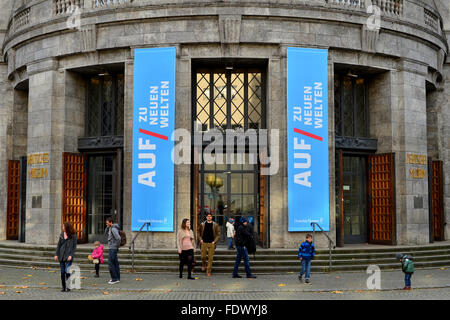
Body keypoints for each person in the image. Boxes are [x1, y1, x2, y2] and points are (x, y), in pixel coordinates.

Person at [54, 222, 77, 292]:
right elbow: (59, 245)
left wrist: (71, 255)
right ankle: (64, 287)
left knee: (67, 271)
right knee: (62, 272)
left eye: (63, 226)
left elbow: (74, 247)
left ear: (67, 227)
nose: (62, 227)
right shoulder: (62, 235)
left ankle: (69, 286)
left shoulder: (73, 235)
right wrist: (56, 254)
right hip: (61, 256)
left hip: (69, 256)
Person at [198, 212, 220, 276]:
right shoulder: (202, 224)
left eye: (210, 216)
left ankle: (208, 271)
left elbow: (218, 234)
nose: (209, 217)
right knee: (203, 256)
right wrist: (200, 239)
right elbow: (198, 232)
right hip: (204, 242)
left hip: (211, 243)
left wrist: (214, 241)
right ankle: (203, 264)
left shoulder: (215, 225)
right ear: (206, 217)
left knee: (210, 258)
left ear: (212, 217)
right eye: (208, 216)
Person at [105, 217, 121, 284]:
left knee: (110, 263)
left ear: (111, 222)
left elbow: (118, 238)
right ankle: (117, 278)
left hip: (112, 248)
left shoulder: (113, 229)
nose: (106, 224)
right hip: (113, 248)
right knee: (115, 263)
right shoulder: (110, 228)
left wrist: (116, 246)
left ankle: (114, 279)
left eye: (107, 223)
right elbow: (105, 234)